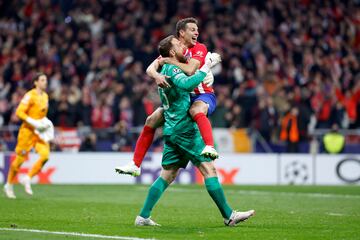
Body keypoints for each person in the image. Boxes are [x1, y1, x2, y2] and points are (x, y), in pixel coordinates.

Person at [134, 35, 255, 226]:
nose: (183, 46)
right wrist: (206, 67)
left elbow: (157, 70)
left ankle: (143, 216)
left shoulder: (163, 67)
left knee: (168, 174)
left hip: (171, 129)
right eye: (178, 44)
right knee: (208, 168)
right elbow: (186, 84)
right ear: (172, 51)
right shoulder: (173, 67)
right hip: (184, 129)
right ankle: (229, 216)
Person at [116, 17, 218, 176]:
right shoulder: (174, 48)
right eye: (192, 29)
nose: (197, 32)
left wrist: (169, 61)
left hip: (201, 94)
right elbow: (150, 68)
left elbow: (191, 70)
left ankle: (210, 146)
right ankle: (135, 164)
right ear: (181, 33)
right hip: (182, 98)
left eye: (197, 30)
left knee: (196, 111)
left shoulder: (199, 48)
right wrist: (156, 75)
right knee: (151, 120)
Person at [3, 73, 54, 199]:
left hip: (39, 133)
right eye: (42, 80)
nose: (45, 82)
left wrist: (46, 125)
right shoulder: (29, 95)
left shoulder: (46, 96)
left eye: (46, 80)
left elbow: (42, 115)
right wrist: (34, 122)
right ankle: (8, 184)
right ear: (36, 82)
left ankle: (27, 178)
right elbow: (19, 112)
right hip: (27, 132)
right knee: (19, 160)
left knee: (45, 156)